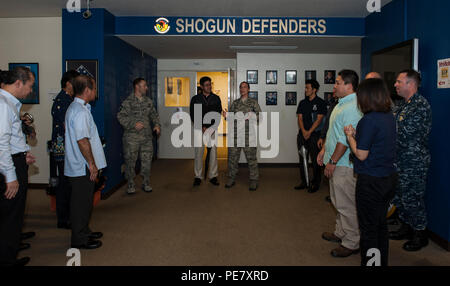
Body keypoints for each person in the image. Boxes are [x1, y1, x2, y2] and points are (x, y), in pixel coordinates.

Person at [344, 78, 397, 266]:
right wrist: (358, 137)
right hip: (387, 179)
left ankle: (371, 263)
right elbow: (376, 143)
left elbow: (361, 154)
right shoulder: (389, 116)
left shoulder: (368, 119)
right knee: (380, 225)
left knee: (369, 230)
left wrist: (350, 137)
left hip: (371, 182)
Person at [317, 69, 362, 258]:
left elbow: (345, 139)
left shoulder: (353, 107)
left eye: (338, 82)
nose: (334, 86)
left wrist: (333, 160)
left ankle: (352, 242)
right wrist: (323, 151)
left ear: (349, 86)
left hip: (343, 164)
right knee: (338, 200)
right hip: (334, 159)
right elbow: (332, 132)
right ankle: (340, 232)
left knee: (346, 204)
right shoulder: (340, 104)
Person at [388, 70, 432, 251]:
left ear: (410, 84)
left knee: (413, 198)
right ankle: (405, 228)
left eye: (399, 81)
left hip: (413, 162)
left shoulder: (419, 106)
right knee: (401, 197)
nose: (395, 85)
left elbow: (403, 135)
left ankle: (420, 234)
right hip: (400, 161)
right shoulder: (403, 105)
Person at [0, 67, 36, 266]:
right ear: (18, 83)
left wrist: (24, 152)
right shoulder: (4, 104)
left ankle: (9, 250)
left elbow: (12, 137)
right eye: (30, 86)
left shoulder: (9, 103)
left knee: (12, 214)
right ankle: (7, 259)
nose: (31, 91)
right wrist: (11, 176)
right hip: (9, 167)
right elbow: (1, 143)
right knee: (10, 216)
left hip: (15, 160)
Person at [64, 75, 106, 249]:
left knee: (85, 202)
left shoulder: (79, 108)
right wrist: (92, 164)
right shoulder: (79, 111)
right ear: (87, 90)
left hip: (81, 165)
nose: (96, 92)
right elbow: (82, 141)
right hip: (82, 166)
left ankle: (85, 231)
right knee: (81, 204)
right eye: (94, 88)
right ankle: (79, 239)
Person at [117, 78, 161, 194]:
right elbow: (121, 117)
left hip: (146, 138)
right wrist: (133, 124)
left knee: (147, 161)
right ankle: (130, 184)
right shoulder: (128, 102)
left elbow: (154, 115)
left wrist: (156, 125)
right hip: (132, 139)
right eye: (144, 86)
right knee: (130, 162)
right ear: (137, 87)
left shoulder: (148, 101)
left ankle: (146, 182)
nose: (146, 88)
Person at [50, 70, 80, 228]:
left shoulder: (69, 99)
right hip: (63, 146)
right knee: (64, 183)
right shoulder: (63, 101)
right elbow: (66, 126)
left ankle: (68, 214)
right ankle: (63, 218)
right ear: (68, 83)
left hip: (68, 145)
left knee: (68, 182)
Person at [223, 81, 261, 191]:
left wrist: (252, 116)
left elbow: (260, 117)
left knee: (251, 159)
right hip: (235, 135)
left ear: (248, 89)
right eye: (241, 87)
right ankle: (231, 178)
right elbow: (230, 118)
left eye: (244, 87)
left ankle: (254, 180)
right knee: (232, 159)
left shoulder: (253, 103)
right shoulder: (235, 103)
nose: (242, 89)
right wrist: (226, 116)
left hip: (249, 136)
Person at [295, 79, 327, 193]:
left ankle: (316, 183)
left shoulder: (321, 103)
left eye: (307, 88)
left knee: (315, 160)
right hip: (302, 135)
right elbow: (300, 118)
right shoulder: (302, 103)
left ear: (314, 90)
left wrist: (309, 132)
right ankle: (304, 182)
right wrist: (304, 131)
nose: (305, 90)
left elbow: (319, 120)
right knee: (302, 159)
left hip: (315, 136)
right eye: (305, 88)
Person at [189, 76, 223, 186]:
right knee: (199, 153)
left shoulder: (216, 98)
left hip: (212, 129)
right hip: (200, 129)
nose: (209, 86)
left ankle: (213, 176)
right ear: (202, 86)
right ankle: (198, 176)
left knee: (213, 153)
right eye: (207, 85)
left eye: (210, 84)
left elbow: (218, 114)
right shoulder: (196, 99)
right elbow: (193, 114)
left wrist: (211, 128)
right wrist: (202, 126)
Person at [318, 87, 338, 202]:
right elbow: (327, 124)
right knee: (332, 177)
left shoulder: (348, 107)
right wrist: (322, 136)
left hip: (339, 148)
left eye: (337, 84)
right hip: (329, 140)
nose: (333, 89)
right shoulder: (334, 105)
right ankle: (333, 195)